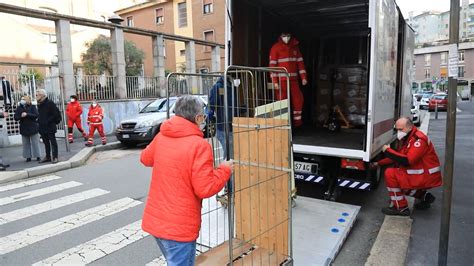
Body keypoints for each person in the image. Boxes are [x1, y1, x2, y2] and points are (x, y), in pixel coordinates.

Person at [140, 95, 233, 266]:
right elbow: (205, 188)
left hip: (157, 221)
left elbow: (145, 158)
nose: (204, 119)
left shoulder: (162, 136)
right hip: (179, 228)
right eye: (203, 116)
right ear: (198, 118)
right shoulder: (199, 145)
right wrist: (225, 170)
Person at [373, 117, 442, 216]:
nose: (398, 132)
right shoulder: (409, 138)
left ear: (410, 127)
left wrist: (387, 151)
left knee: (390, 174)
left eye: (401, 129)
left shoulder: (419, 139)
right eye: (396, 129)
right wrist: (378, 163)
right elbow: (398, 157)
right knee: (399, 179)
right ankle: (426, 197)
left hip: (426, 176)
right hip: (421, 173)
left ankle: (401, 208)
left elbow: (407, 160)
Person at [269, 31, 308, 127]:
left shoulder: (295, 47)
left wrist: (304, 77)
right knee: (282, 102)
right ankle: (282, 123)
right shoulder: (275, 48)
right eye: (284, 36)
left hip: (293, 80)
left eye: (288, 36)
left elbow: (300, 63)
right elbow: (272, 66)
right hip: (282, 81)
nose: (286, 38)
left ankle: (297, 122)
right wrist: (275, 82)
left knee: (298, 100)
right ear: (280, 36)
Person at [207, 76, 239, 158]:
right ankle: (226, 170)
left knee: (231, 153)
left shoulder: (232, 87)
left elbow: (234, 106)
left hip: (232, 126)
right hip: (223, 128)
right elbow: (211, 105)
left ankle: (227, 169)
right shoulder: (217, 87)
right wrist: (209, 117)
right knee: (229, 154)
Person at [36, 89, 60, 164]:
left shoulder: (50, 103)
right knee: (46, 142)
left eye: (38, 94)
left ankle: (55, 156)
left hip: (50, 126)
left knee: (53, 142)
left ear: (43, 95)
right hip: (42, 126)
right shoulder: (39, 104)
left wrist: (47, 121)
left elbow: (55, 114)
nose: (36, 96)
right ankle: (48, 156)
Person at [14, 95, 41, 162]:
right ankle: (27, 157)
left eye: (23, 99)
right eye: (21, 99)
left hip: (33, 127)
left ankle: (38, 156)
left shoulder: (32, 107)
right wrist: (21, 116)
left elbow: (36, 115)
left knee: (35, 143)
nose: (22, 100)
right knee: (25, 143)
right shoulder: (19, 108)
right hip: (24, 127)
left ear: (27, 100)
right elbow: (16, 117)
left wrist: (27, 114)